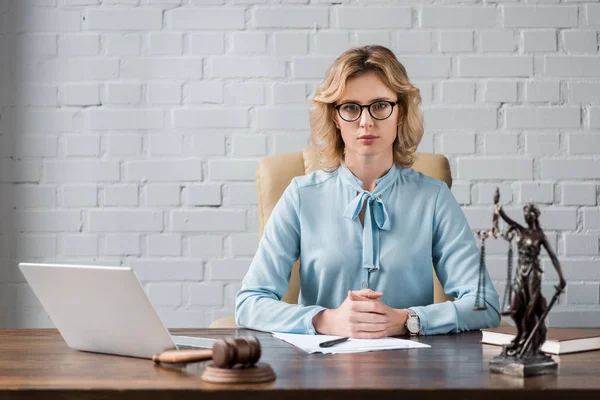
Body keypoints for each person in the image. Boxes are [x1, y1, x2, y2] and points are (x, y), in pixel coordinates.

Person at [235, 45, 500, 338]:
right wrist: (325, 320)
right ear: (335, 117)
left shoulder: (433, 198)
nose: (366, 122)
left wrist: (407, 319)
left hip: (410, 371)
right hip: (320, 370)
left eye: (380, 105)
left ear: (400, 112)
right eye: (350, 107)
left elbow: (483, 303)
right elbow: (249, 303)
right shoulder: (301, 195)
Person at [495, 198, 566, 357]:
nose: (525, 217)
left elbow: (553, 257)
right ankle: (521, 333)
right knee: (514, 307)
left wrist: (561, 278)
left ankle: (529, 336)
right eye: (524, 214)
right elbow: (508, 219)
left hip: (533, 272)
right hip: (520, 272)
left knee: (531, 307)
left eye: (528, 214)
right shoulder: (521, 230)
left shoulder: (539, 235)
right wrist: (499, 209)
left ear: (534, 216)